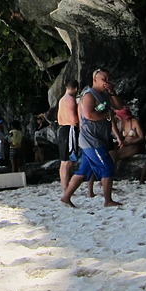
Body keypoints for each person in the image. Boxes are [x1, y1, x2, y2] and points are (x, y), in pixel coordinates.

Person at [60, 68, 123, 207]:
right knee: (108, 167)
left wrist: (112, 92)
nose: (106, 82)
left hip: (101, 138)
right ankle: (108, 200)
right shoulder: (89, 95)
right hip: (91, 139)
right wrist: (106, 115)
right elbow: (89, 115)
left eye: (108, 79)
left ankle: (66, 197)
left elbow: (119, 106)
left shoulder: (106, 94)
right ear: (95, 80)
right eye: (103, 79)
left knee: (83, 171)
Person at [57, 79, 80, 192]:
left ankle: (65, 187)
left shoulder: (61, 100)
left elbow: (59, 118)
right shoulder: (70, 100)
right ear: (76, 89)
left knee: (64, 161)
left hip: (62, 128)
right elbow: (73, 119)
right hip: (70, 129)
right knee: (68, 161)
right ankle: (66, 188)